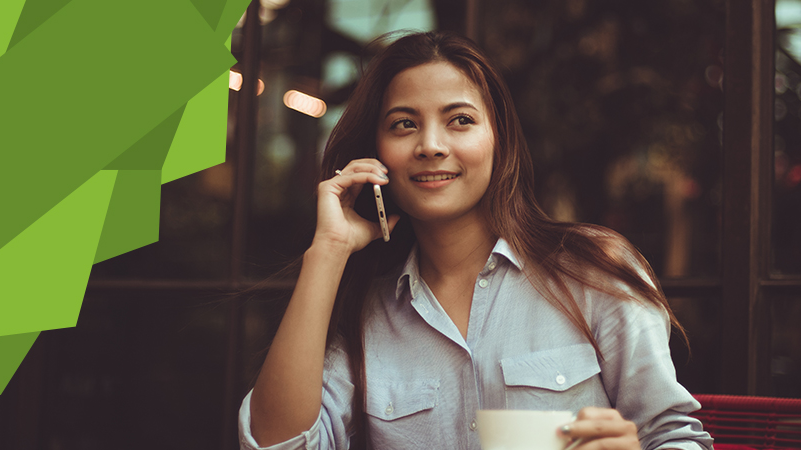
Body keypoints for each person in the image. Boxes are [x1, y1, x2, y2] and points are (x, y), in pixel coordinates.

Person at [239, 31, 713, 450]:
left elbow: (674, 436)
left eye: (460, 120)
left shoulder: (592, 271)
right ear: (376, 154)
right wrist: (327, 252)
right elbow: (279, 447)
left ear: (498, 140)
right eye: (404, 123)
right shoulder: (365, 313)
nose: (430, 145)